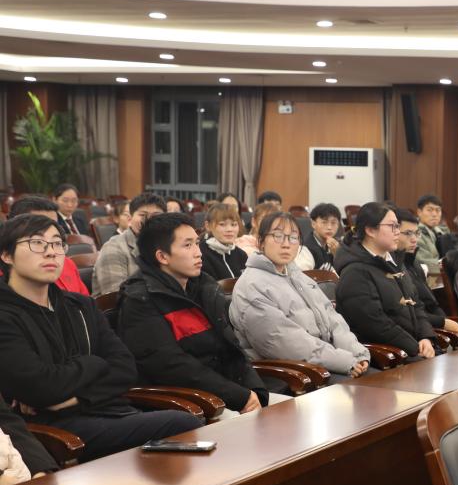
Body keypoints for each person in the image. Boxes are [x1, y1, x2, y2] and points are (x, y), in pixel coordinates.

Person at [0, 214, 202, 463]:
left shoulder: (80, 305)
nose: (51, 252)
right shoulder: (5, 315)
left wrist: (76, 397)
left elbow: (125, 368)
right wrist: (94, 363)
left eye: (56, 244)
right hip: (55, 429)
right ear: (7, 255)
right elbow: (43, 388)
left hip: (108, 411)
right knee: (182, 425)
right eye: (37, 243)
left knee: (190, 433)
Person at [117, 213, 276, 416]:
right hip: (186, 405)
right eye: (187, 245)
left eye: (197, 243)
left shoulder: (204, 286)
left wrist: (255, 391)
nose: (198, 253)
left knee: (290, 413)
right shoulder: (140, 300)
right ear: (162, 256)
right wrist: (240, 397)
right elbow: (172, 367)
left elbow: (231, 347)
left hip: (225, 393)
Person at [230, 211, 370, 381]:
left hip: (327, 362)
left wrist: (357, 353)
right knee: (366, 390)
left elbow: (333, 319)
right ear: (261, 242)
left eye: (293, 237)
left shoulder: (298, 276)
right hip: (292, 373)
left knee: (382, 381)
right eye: (278, 236)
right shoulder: (252, 285)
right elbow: (284, 341)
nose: (286, 244)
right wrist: (344, 361)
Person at [334, 203, 436, 361]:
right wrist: (415, 347)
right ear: (370, 230)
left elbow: (416, 304)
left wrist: (426, 337)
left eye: (398, 226)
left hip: (413, 348)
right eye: (392, 226)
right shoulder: (355, 273)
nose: (398, 232)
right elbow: (376, 325)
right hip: (387, 356)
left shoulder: (395, 261)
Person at [394, 208, 458, 336]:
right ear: (394, 233)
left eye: (417, 233)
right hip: (419, 333)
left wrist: (446, 322)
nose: (414, 239)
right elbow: (407, 313)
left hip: (434, 328)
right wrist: (442, 322)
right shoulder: (393, 267)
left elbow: (431, 304)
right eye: (408, 233)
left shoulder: (414, 262)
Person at [8, 196, 90, 295]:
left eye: (54, 225)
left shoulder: (67, 264)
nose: (51, 252)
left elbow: (84, 301)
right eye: (37, 241)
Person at [92, 193, 166, 295]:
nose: (149, 220)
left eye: (156, 215)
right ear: (130, 219)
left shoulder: (167, 245)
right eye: (143, 215)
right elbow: (116, 296)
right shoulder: (113, 248)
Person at [199, 202, 247, 281]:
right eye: (222, 224)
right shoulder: (200, 253)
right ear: (208, 226)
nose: (229, 229)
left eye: (234, 224)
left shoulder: (242, 255)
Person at [297, 202, 341, 272]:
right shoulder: (305, 249)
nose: (329, 227)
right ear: (313, 224)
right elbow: (303, 275)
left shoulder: (335, 245)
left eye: (333, 223)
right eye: (324, 222)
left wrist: (337, 256)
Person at [414, 194, 452, 275]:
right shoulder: (414, 233)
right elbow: (425, 263)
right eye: (429, 210)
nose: (434, 214)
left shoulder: (444, 232)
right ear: (419, 212)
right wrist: (451, 266)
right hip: (428, 278)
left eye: (438, 210)